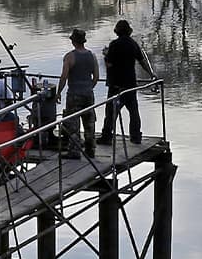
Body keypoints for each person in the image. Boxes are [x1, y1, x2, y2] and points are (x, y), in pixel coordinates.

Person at [98, 19, 156, 144]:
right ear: (129, 31)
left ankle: (107, 137)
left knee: (111, 112)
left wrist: (105, 54)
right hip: (130, 84)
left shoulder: (114, 45)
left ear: (117, 31)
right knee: (134, 111)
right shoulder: (133, 44)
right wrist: (151, 74)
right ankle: (136, 137)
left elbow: (109, 64)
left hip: (116, 85)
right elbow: (142, 62)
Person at [56, 28, 99, 158]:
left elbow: (64, 77)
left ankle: (74, 151)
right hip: (88, 93)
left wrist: (58, 93)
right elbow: (96, 77)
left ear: (73, 41)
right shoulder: (92, 56)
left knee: (73, 124)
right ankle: (90, 149)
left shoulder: (69, 57)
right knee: (89, 122)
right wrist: (88, 87)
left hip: (74, 94)